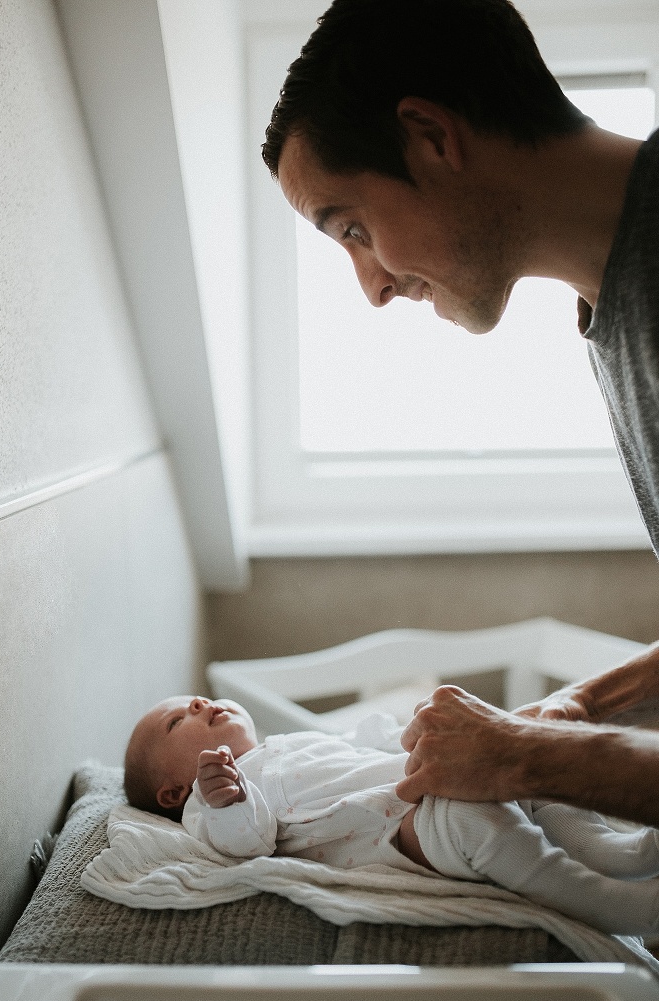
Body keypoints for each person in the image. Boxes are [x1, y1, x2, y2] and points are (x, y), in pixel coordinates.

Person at [261, 0, 659, 824]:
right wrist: (588, 706)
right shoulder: (616, 304)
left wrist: (528, 756)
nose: (371, 286)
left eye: (355, 227)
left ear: (431, 138)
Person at [124, 694, 659, 936]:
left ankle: (619, 855)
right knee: (472, 821)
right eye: (177, 721)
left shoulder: (285, 743)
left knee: (537, 781)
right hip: (396, 830)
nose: (197, 705)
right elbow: (247, 842)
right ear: (172, 792)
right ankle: (612, 906)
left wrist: (411, 732)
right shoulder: (205, 805)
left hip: (429, 774)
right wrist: (226, 801)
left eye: (196, 699)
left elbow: (361, 746)